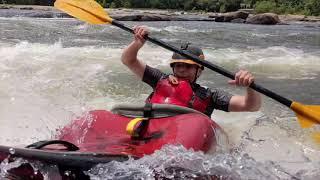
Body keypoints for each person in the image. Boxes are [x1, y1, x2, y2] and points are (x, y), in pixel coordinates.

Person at [121, 26, 261, 117]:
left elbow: (251, 106)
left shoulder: (210, 95)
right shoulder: (159, 79)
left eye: (188, 66)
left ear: (199, 71)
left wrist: (250, 87)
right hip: (153, 128)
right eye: (178, 65)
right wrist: (137, 43)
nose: (181, 69)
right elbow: (129, 60)